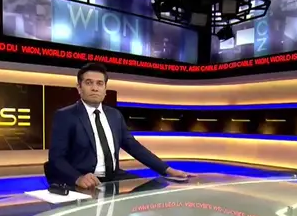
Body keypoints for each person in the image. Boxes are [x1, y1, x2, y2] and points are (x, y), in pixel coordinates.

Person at [46, 63, 192, 189]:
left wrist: (167, 170)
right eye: (89, 83)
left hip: (113, 177)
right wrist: (77, 178)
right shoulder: (65, 116)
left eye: (99, 83)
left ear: (105, 89)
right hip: (84, 179)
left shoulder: (114, 115)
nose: (95, 88)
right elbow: (56, 158)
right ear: (79, 87)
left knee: (154, 189)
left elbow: (134, 147)